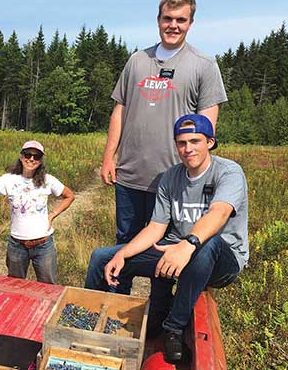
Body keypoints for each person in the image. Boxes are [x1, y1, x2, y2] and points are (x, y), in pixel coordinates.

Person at [86, 114, 248, 363]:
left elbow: (220, 212)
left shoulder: (228, 172)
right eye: (181, 143)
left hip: (220, 260)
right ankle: (91, 322)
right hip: (176, 251)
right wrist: (123, 254)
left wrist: (189, 244)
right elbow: (156, 227)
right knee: (102, 257)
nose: (188, 149)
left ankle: (174, 327)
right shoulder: (171, 177)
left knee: (208, 244)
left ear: (210, 142)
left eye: (195, 141)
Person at [100, 0, 227, 247]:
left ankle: (159, 289)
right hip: (129, 176)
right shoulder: (137, 60)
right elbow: (120, 111)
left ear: (190, 23)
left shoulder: (204, 65)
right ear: (158, 20)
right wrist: (108, 157)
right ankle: (117, 289)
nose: (173, 25)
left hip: (175, 180)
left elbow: (206, 127)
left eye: (181, 20)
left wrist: (198, 172)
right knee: (124, 246)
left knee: (165, 249)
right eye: (168, 18)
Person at [0, 141, 75, 284]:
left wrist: (52, 214)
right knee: (15, 286)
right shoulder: (8, 179)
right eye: (28, 154)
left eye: (36, 156)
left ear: (40, 161)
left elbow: (69, 196)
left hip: (43, 245)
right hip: (17, 245)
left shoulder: (48, 180)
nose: (31, 159)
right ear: (21, 156)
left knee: (48, 287)